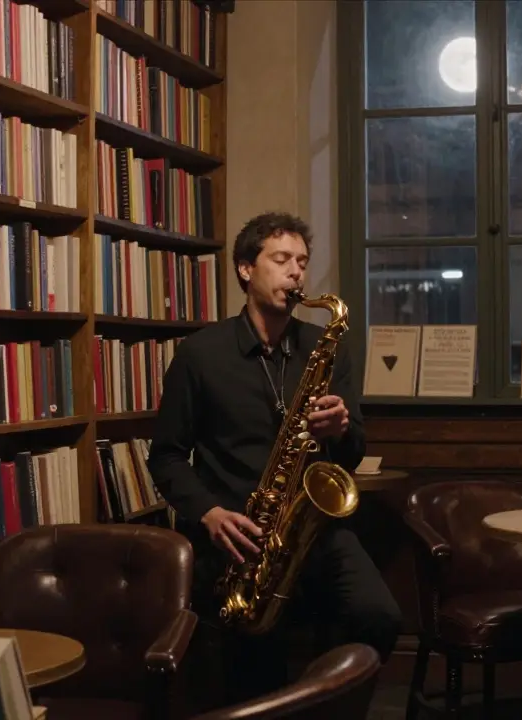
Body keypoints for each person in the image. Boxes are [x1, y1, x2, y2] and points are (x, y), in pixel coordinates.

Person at [147, 211, 401, 703]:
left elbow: (352, 455)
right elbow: (167, 457)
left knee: (379, 616)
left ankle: (330, 706)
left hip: (315, 532)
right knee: (253, 659)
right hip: (238, 539)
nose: (296, 274)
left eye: (302, 262)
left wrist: (342, 427)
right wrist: (210, 513)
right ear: (246, 268)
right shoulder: (201, 354)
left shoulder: (325, 348)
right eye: (281, 259)